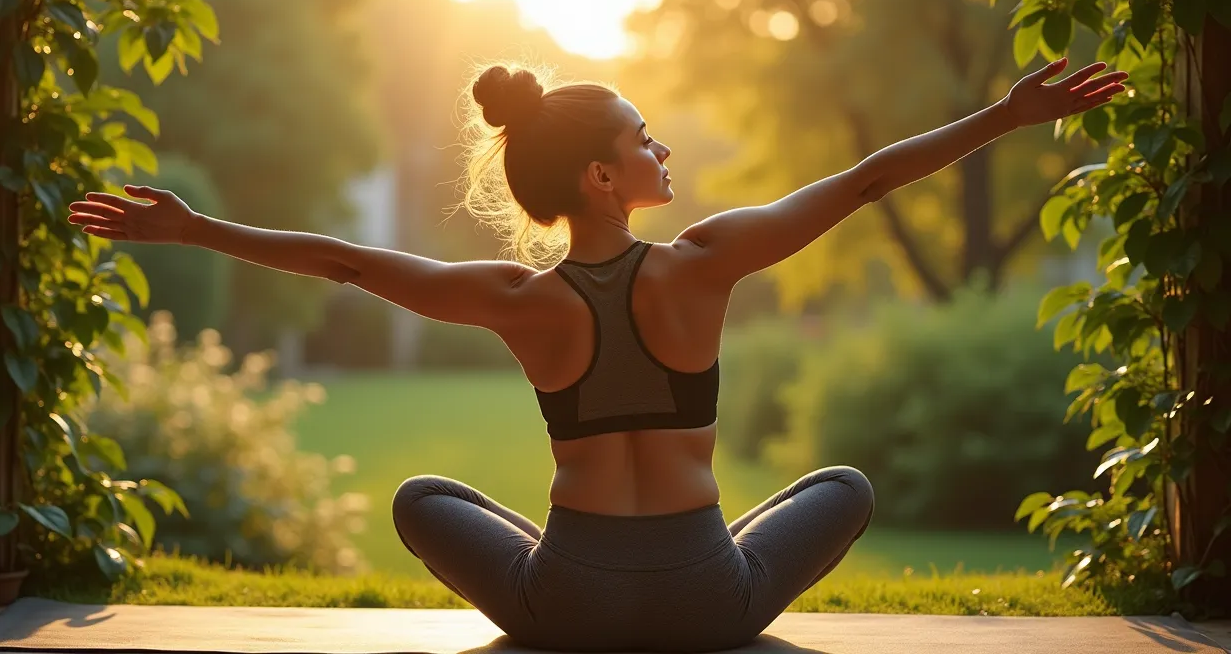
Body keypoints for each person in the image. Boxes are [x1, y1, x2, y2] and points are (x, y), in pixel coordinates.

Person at [68, 56, 1126, 652]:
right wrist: (1006, 114)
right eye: (644, 140)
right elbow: (861, 184)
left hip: (561, 603)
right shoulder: (706, 264)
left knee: (423, 496)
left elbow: (346, 263)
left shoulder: (518, 300)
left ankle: (578, 555)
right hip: (709, 602)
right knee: (841, 485)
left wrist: (198, 230)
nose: (663, 150)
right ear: (601, 180)